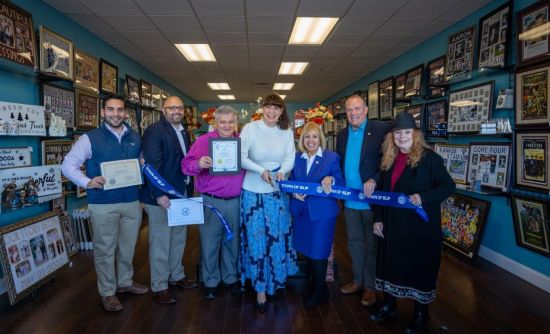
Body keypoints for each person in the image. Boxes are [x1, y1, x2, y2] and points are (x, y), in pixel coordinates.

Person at [369, 112, 455, 334]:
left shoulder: (430, 159)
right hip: (392, 223)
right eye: (398, 133)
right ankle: (389, 306)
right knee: (391, 264)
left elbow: (448, 186)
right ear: (392, 136)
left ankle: (420, 315)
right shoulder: (389, 159)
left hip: (420, 227)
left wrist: (423, 197)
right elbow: (383, 193)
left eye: (407, 132)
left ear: (415, 134)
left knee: (419, 267)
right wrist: (378, 218)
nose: (402, 137)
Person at [62, 96, 148, 312]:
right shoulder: (90, 138)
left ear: (126, 113)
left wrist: (141, 163)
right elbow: (68, 165)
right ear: (103, 112)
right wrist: (87, 182)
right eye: (111, 109)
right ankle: (107, 292)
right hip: (102, 203)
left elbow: (140, 162)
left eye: (120, 110)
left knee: (128, 247)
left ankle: (125, 282)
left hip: (131, 201)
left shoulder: (135, 137)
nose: (115, 114)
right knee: (105, 249)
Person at [239, 93, 297, 313]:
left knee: (276, 236)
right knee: (256, 238)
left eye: (277, 108)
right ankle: (260, 286)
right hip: (253, 191)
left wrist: (282, 171)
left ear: (281, 111)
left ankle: (276, 279)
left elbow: (290, 157)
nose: (272, 112)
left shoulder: (286, 131)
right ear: (262, 108)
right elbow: (242, 156)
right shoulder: (250, 128)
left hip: (277, 193)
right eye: (269, 107)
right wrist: (261, 171)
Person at [181, 105, 245, 300]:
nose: (226, 126)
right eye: (222, 122)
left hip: (235, 201)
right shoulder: (203, 141)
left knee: (232, 242)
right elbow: (185, 166)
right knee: (209, 243)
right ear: (215, 123)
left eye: (230, 122)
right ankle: (210, 281)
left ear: (236, 123)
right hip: (210, 201)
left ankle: (230, 278)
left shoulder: (242, 142)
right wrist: (198, 164)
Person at [141, 96, 198, 305]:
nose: (176, 111)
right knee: (161, 242)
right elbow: (151, 166)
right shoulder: (155, 131)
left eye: (180, 107)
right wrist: (158, 193)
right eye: (171, 107)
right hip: (161, 197)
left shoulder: (183, 130)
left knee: (178, 238)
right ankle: (160, 285)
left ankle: (176, 275)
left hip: (180, 194)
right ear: (163, 110)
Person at [336, 95, 391, 307]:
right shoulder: (342, 134)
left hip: (372, 202)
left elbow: (388, 161)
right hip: (350, 202)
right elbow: (341, 163)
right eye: (349, 110)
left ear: (366, 110)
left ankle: (371, 286)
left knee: (372, 245)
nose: (353, 113)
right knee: (355, 243)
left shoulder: (379, 130)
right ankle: (358, 280)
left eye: (357, 109)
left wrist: (374, 179)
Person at [289, 122, 344, 308]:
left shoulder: (331, 157)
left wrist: (332, 179)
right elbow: (290, 182)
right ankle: (315, 285)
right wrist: (293, 192)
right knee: (307, 251)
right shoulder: (297, 158)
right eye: (307, 136)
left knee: (319, 251)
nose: (310, 140)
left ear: (320, 139)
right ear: (302, 139)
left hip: (322, 214)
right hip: (302, 211)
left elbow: (341, 184)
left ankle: (320, 291)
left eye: (314, 136)